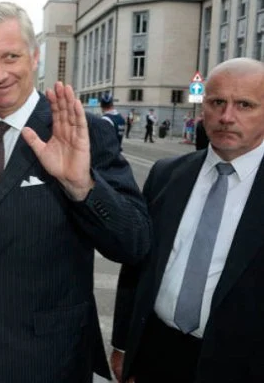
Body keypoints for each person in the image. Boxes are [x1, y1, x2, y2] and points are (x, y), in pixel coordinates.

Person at [0, 2, 150, 383]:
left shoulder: (82, 131)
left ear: (34, 56)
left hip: (49, 357)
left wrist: (81, 186)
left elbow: (134, 243)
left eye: (11, 56)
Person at [110, 57, 264, 383]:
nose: (226, 116)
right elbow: (137, 267)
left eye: (245, 105)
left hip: (241, 363)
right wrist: (124, 344)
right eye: (217, 102)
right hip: (156, 351)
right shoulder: (168, 175)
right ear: (202, 106)